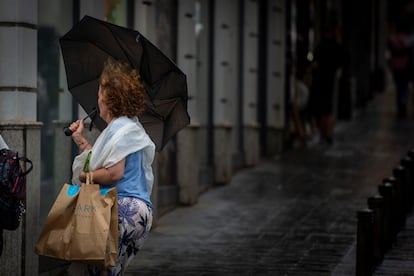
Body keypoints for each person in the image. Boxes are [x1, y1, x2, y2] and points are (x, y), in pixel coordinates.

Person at [67, 58, 156, 275]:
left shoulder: (122, 129)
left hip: (122, 209)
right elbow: (104, 162)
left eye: (99, 94)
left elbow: (114, 173)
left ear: (109, 99)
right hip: (136, 213)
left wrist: (85, 176)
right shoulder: (124, 128)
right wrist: (81, 140)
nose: (97, 99)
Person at [309, 26, 345, 145]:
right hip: (328, 81)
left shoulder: (322, 47)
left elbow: (310, 56)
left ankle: (325, 134)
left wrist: (311, 60)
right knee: (327, 110)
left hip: (322, 81)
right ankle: (327, 134)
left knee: (324, 110)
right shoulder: (335, 47)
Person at [388, 20, 411, 118]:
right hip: (405, 66)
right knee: (404, 86)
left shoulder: (392, 39)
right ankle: (403, 104)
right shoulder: (408, 39)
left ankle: (400, 106)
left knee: (399, 87)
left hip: (396, 66)